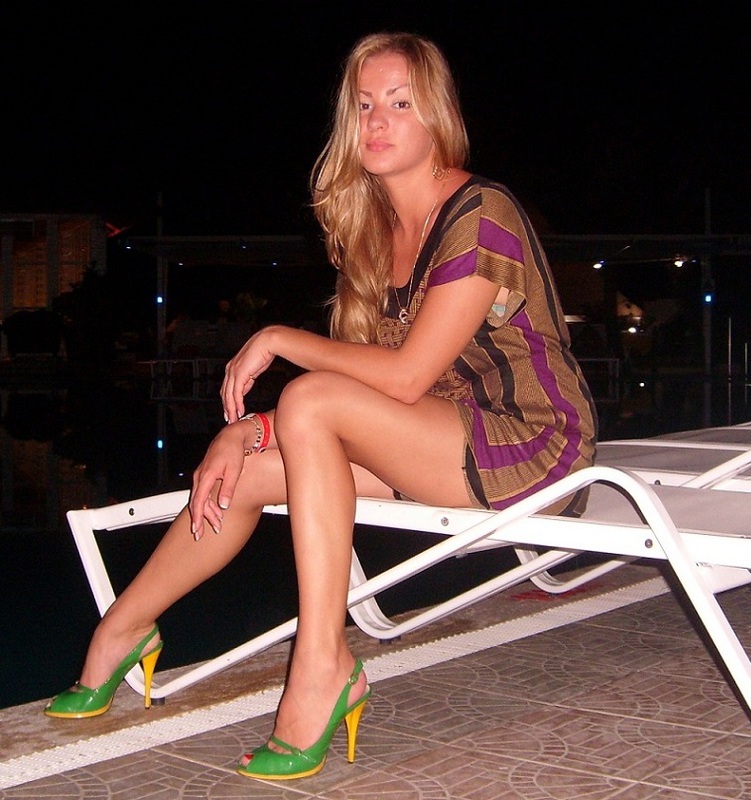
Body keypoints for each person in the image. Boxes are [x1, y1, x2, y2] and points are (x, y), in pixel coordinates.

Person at [43, 31, 598, 782]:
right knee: (246, 474)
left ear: (437, 115)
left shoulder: (481, 212)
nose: (378, 121)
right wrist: (249, 433)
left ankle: (322, 663)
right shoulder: (374, 230)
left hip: (532, 447)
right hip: (441, 439)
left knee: (306, 397)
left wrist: (278, 340)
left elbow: (403, 378)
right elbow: (366, 396)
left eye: (400, 103)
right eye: (364, 105)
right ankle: (122, 631)